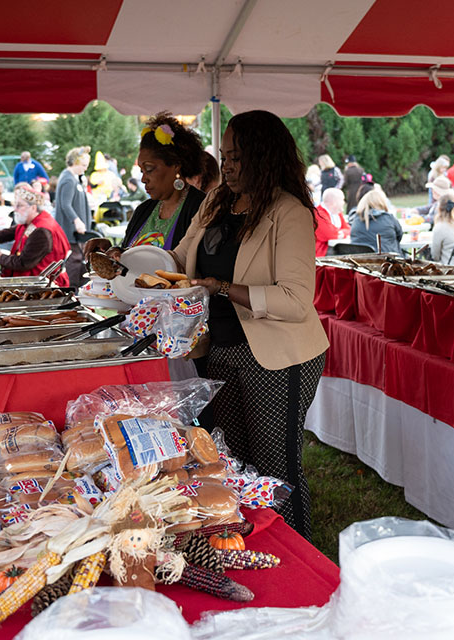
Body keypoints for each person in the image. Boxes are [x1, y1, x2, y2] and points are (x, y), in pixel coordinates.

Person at [171, 109, 329, 540]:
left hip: (279, 355)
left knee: (276, 463)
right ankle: (250, 544)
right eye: (225, 156)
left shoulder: (288, 211)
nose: (230, 166)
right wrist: (127, 262)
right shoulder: (218, 199)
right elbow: (180, 259)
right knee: (234, 462)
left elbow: (296, 300)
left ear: (265, 156)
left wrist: (223, 287)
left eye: (239, 157)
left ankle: (298, 553)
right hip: (220, 348)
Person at [114, 113, 207, 251]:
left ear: (176, 165)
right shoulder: (143, 210)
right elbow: (126, 255)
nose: (143, 179)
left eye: (149, 169)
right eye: (142, 171)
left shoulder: (201, 209)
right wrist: (113, 251)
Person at [0, 184, 71, 287]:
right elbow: (11, 232)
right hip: (35, 282)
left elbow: (23, 263)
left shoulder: (41, 231)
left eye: (19, 206)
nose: (15, 209)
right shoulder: (33, 221)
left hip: (44, 287)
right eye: (15, 205)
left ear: (33, 207)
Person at [54, 146, 92, 286]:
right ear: (75, 163)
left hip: (76, 232)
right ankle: (72, 289)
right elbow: (65, 204)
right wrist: (76, 220)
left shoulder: (74, 178)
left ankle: (78, 288)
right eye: (83, 165)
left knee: (79, 260)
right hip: (71, 232)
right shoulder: (68, 180)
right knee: (74, 260)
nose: (85, 169)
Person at [349, 185, 403, 254]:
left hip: (360, 261)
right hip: (387, 261)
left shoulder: (356, 219)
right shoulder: (389, 218)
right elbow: (399, 236)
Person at [313, 187, 350, 257]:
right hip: (321, 252)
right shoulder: (319, 213)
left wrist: (341, 233)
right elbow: (330, 234)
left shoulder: (337, 212)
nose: (344, 203)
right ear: (334, 202)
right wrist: (340, 233)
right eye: (342, 200)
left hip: (333, 248)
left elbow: (349, 229)